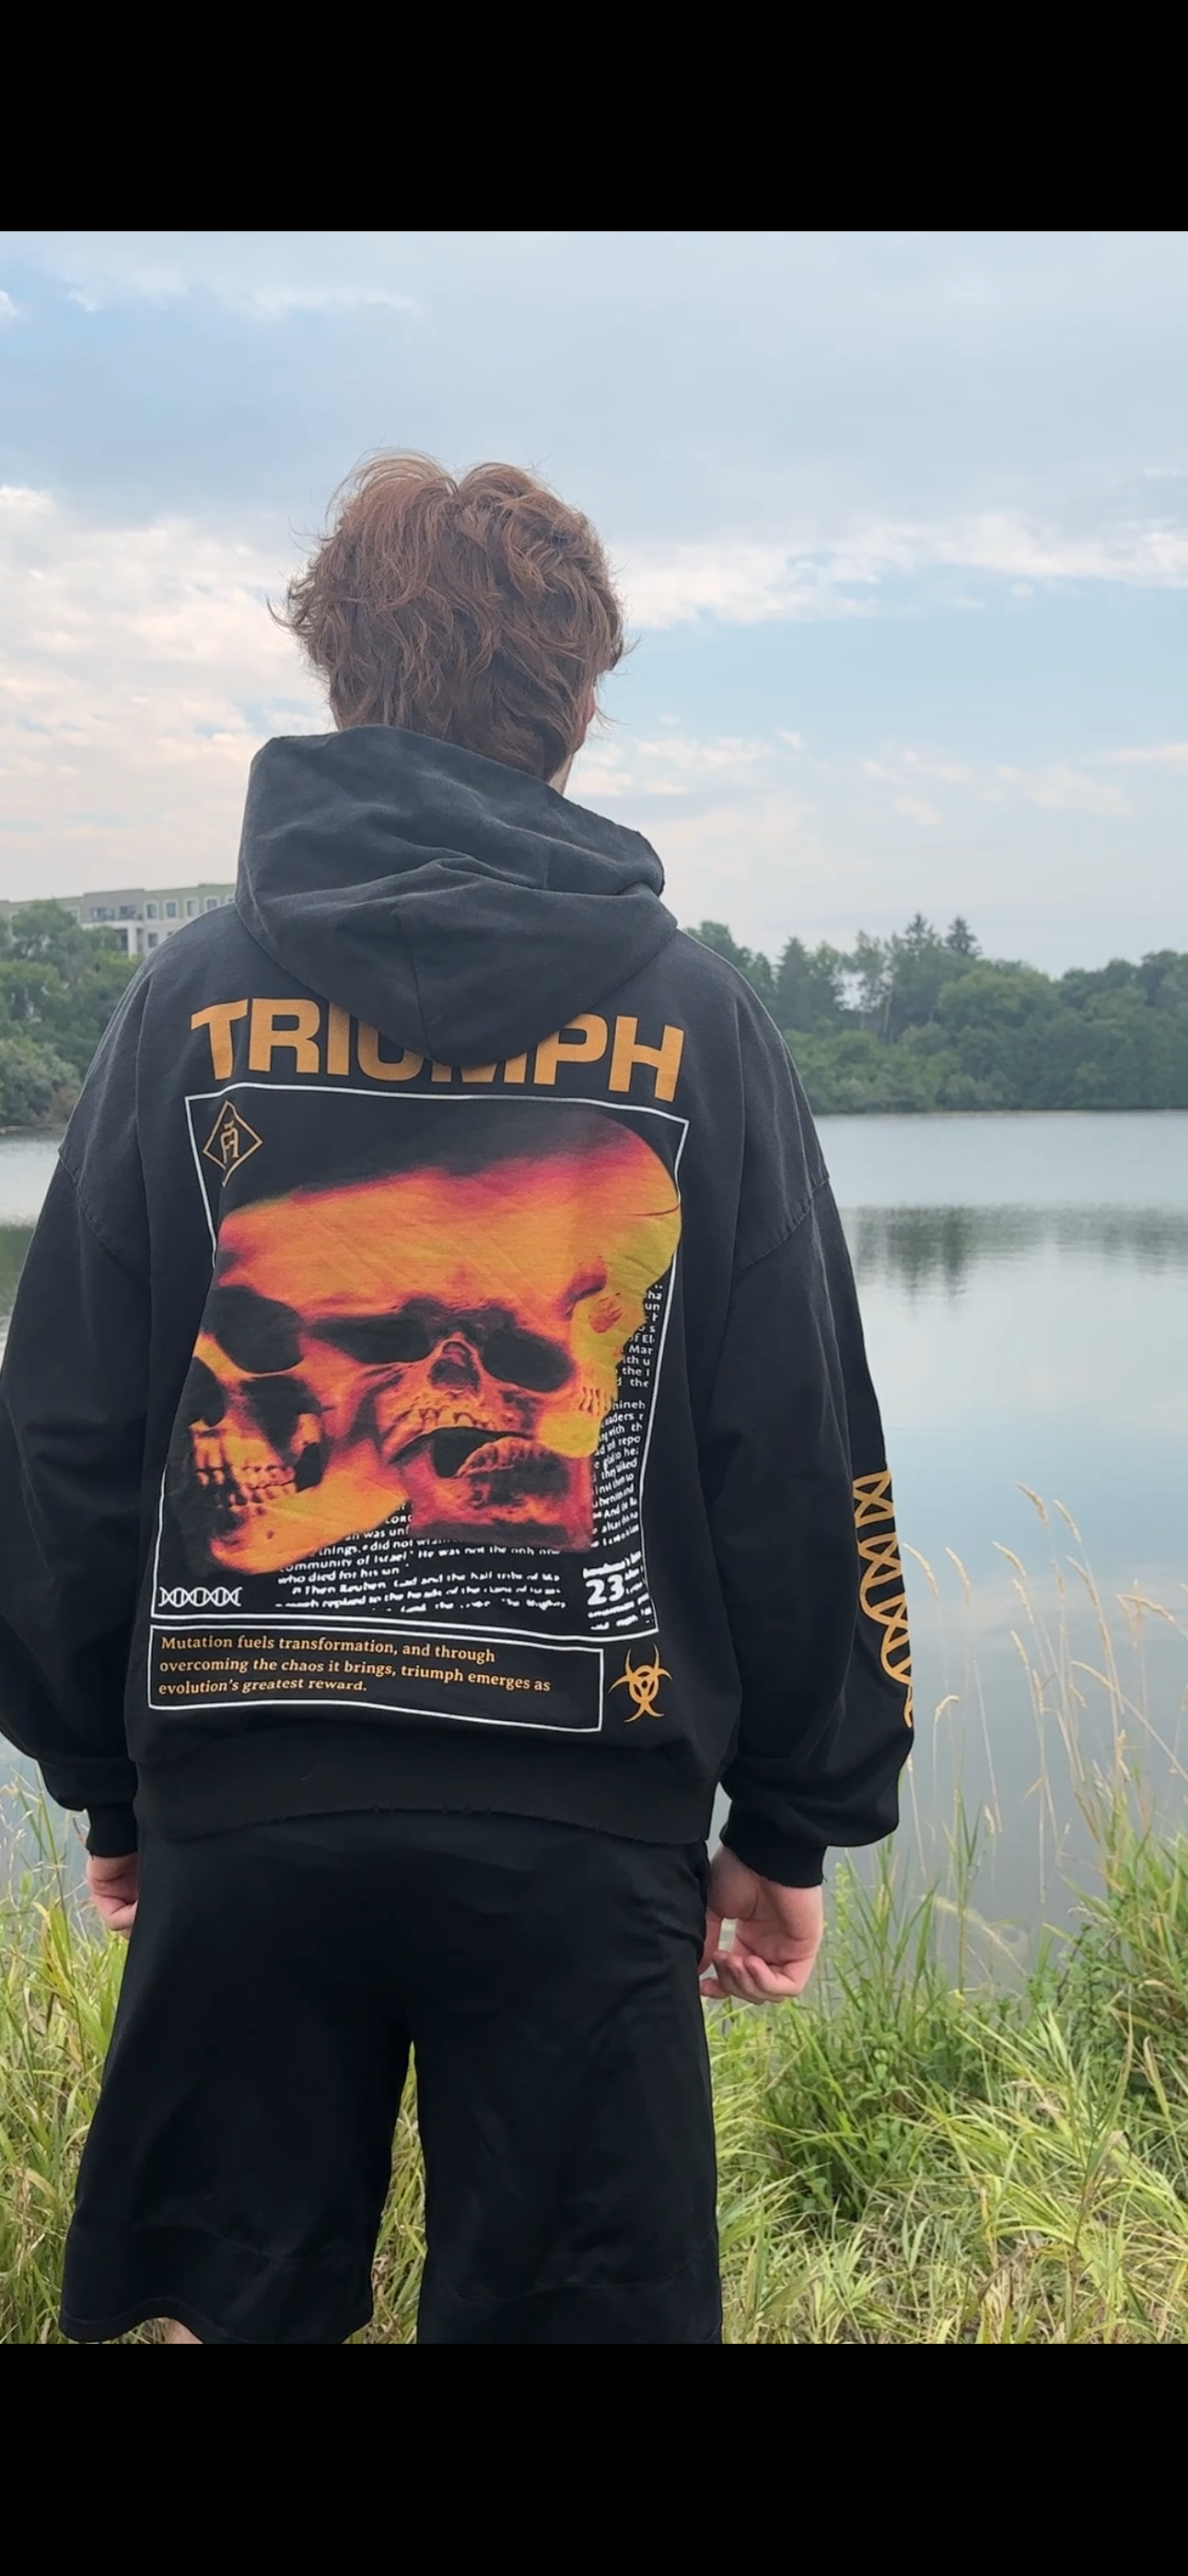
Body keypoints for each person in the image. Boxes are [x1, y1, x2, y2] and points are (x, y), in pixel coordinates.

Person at [0, 454, 913, 2347]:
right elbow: (798, 1442)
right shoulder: (694, 1022)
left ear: (340, 669)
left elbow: (65, 1429)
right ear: (574, 702)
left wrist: (107, 1769)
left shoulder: (187, 1010)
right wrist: (795, 1815)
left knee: (221, 2307)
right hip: (586, 1839)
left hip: (247, 1811)